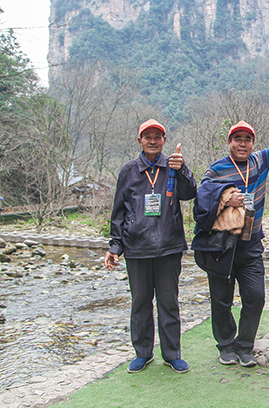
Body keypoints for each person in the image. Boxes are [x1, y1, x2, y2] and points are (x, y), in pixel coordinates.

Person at [192, 115, 269, 367]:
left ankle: (245, 345)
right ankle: (226, 345)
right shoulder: (216, 169)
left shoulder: (260, 161)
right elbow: (202, 200)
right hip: (222, 247)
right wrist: (225, 199)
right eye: (237, 139)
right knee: (221, 300)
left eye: (247, 139)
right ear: (229, 142)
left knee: (256, 296)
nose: (242, 144)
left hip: (251, 245)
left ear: (252, 143)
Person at [104, 119, 197, 374]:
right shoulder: (129, 171)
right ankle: (143, 353)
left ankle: (172, 355)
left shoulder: (173, 165)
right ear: (140, 141)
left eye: (158, 136)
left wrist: (183, 169)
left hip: (169, 246)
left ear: (164, 140)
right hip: (136, 247)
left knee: (169, 303)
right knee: (140, 303)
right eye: (148, 137)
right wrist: (115, 246)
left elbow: (190, 193)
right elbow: (119, 211)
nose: (153, 141)